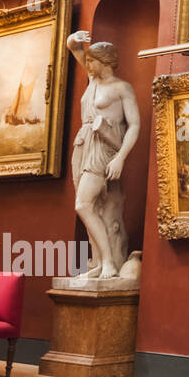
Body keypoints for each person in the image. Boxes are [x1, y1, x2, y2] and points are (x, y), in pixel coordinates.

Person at [66, 32, 140, 280]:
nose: (87, 64)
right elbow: (73, 48)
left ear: (105, 61)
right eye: (87, 61)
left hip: (104, 147)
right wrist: (74, 40)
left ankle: (109, 261)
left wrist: (120, 157)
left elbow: (135, 125)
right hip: (84, 144)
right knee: (93, 206)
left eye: (92, 61)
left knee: (83, 204)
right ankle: (99, 261)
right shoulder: (92, 80)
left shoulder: (122, 88)